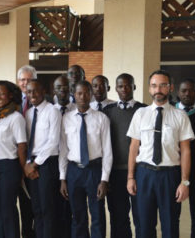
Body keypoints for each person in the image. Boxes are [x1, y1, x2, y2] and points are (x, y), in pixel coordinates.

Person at [127, 70, 194, 238]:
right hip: (144, 174)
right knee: (144, 224)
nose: (158, 89)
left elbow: (186, 150)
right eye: (154, 85)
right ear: (149, 89)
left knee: (170, 224)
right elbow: (134, 147)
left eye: (163, 85)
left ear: (170, 88)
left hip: (170, 176)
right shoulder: (140, 114)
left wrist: (184, 182)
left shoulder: (180, 116)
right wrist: (130, 177)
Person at [59, 80, 112, 238]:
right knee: (78, 216)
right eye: (79, 93)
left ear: (91, 95)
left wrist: (104, 179)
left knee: (97, 216)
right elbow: (63, 150)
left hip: (94, 171)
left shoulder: (102, 119)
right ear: (74, 95)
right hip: (74, 171)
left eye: (86, 93)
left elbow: (108, 151)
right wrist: (63, 178)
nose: (83, 96)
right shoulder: (66, 119)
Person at [103, 73, 145, 238]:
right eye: (121, 86)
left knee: (141, 214)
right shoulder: (108, 111)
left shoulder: (143, 110)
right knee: (118, 216)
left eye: (128, 85)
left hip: (139, 171)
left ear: (134, 87)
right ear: (116, 89)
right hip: (115, 172)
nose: (124, 89)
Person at [0, 80, 27, 238]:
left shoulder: (16, 117)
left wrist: (23, 169)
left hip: (9, 167)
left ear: (11, 95)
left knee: (8, 209)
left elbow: (22, 146)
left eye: (2, 94)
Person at [24, 80, 61, 238]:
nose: (32, 95)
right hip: (32, 163)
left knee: (47, 208)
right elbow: (26, 140)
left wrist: (35, 164)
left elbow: (53, 141)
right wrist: (28, 164)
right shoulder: (28, 113)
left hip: (47, 164)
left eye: (36, 91)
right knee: (36, 208)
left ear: (44, 90)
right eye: (29, 91)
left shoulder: (53, 111)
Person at [175, 78, 195, 238]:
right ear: (178, 93)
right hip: (174, 169)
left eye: (191, 90)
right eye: (184, 90)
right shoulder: (170, 112)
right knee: (171, 213)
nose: (187, 93)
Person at [53, 75, 75, 238]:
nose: (63, 90)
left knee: (72, 208)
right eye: (59, 87)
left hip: (72, 165)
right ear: (54, 90)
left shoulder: (77, 110)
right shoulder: (49, 111)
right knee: (55, 207)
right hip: (52, 164)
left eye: (65, 86)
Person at [16, 65, 36, 238]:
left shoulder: (46, 102)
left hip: (36, 161)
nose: (25, 83)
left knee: (35, 202)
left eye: (29, 79)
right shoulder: (12, 102)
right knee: (20, 204)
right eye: (22, 79)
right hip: (14, 160)